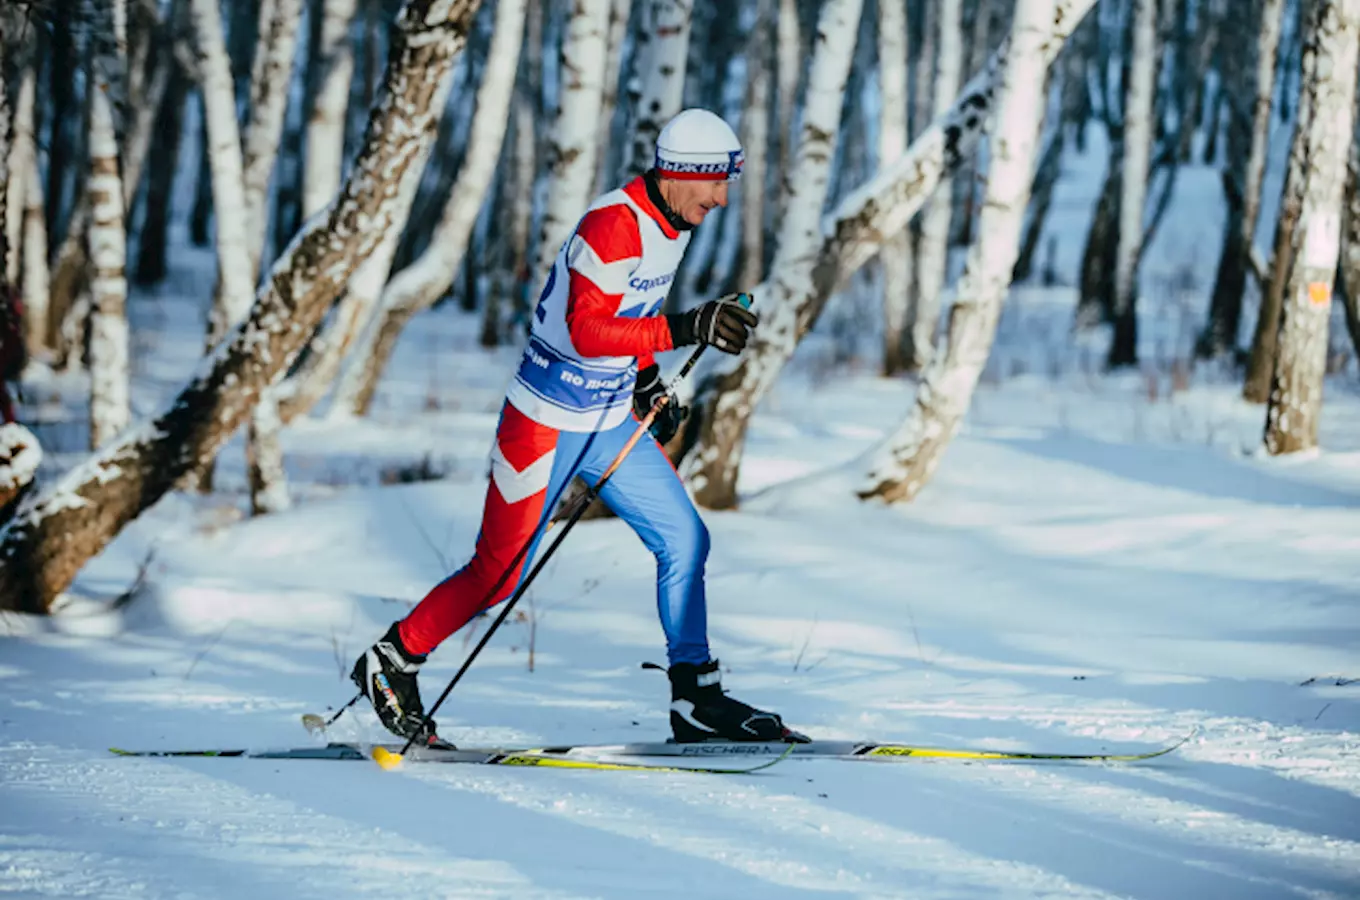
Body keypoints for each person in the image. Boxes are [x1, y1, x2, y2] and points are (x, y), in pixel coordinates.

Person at [351, 108, 806, 746]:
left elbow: (633, 308)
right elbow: (590, 328)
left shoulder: (674, 221)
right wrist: (685, 328)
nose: (722, 198)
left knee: (685, 539)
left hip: (610, 420)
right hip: (542, 425)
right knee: (499, 572)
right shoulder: (612, 226)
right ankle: (394, 658)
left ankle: (695, 698)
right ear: (679, 173)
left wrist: (648, 379)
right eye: (714, 182)